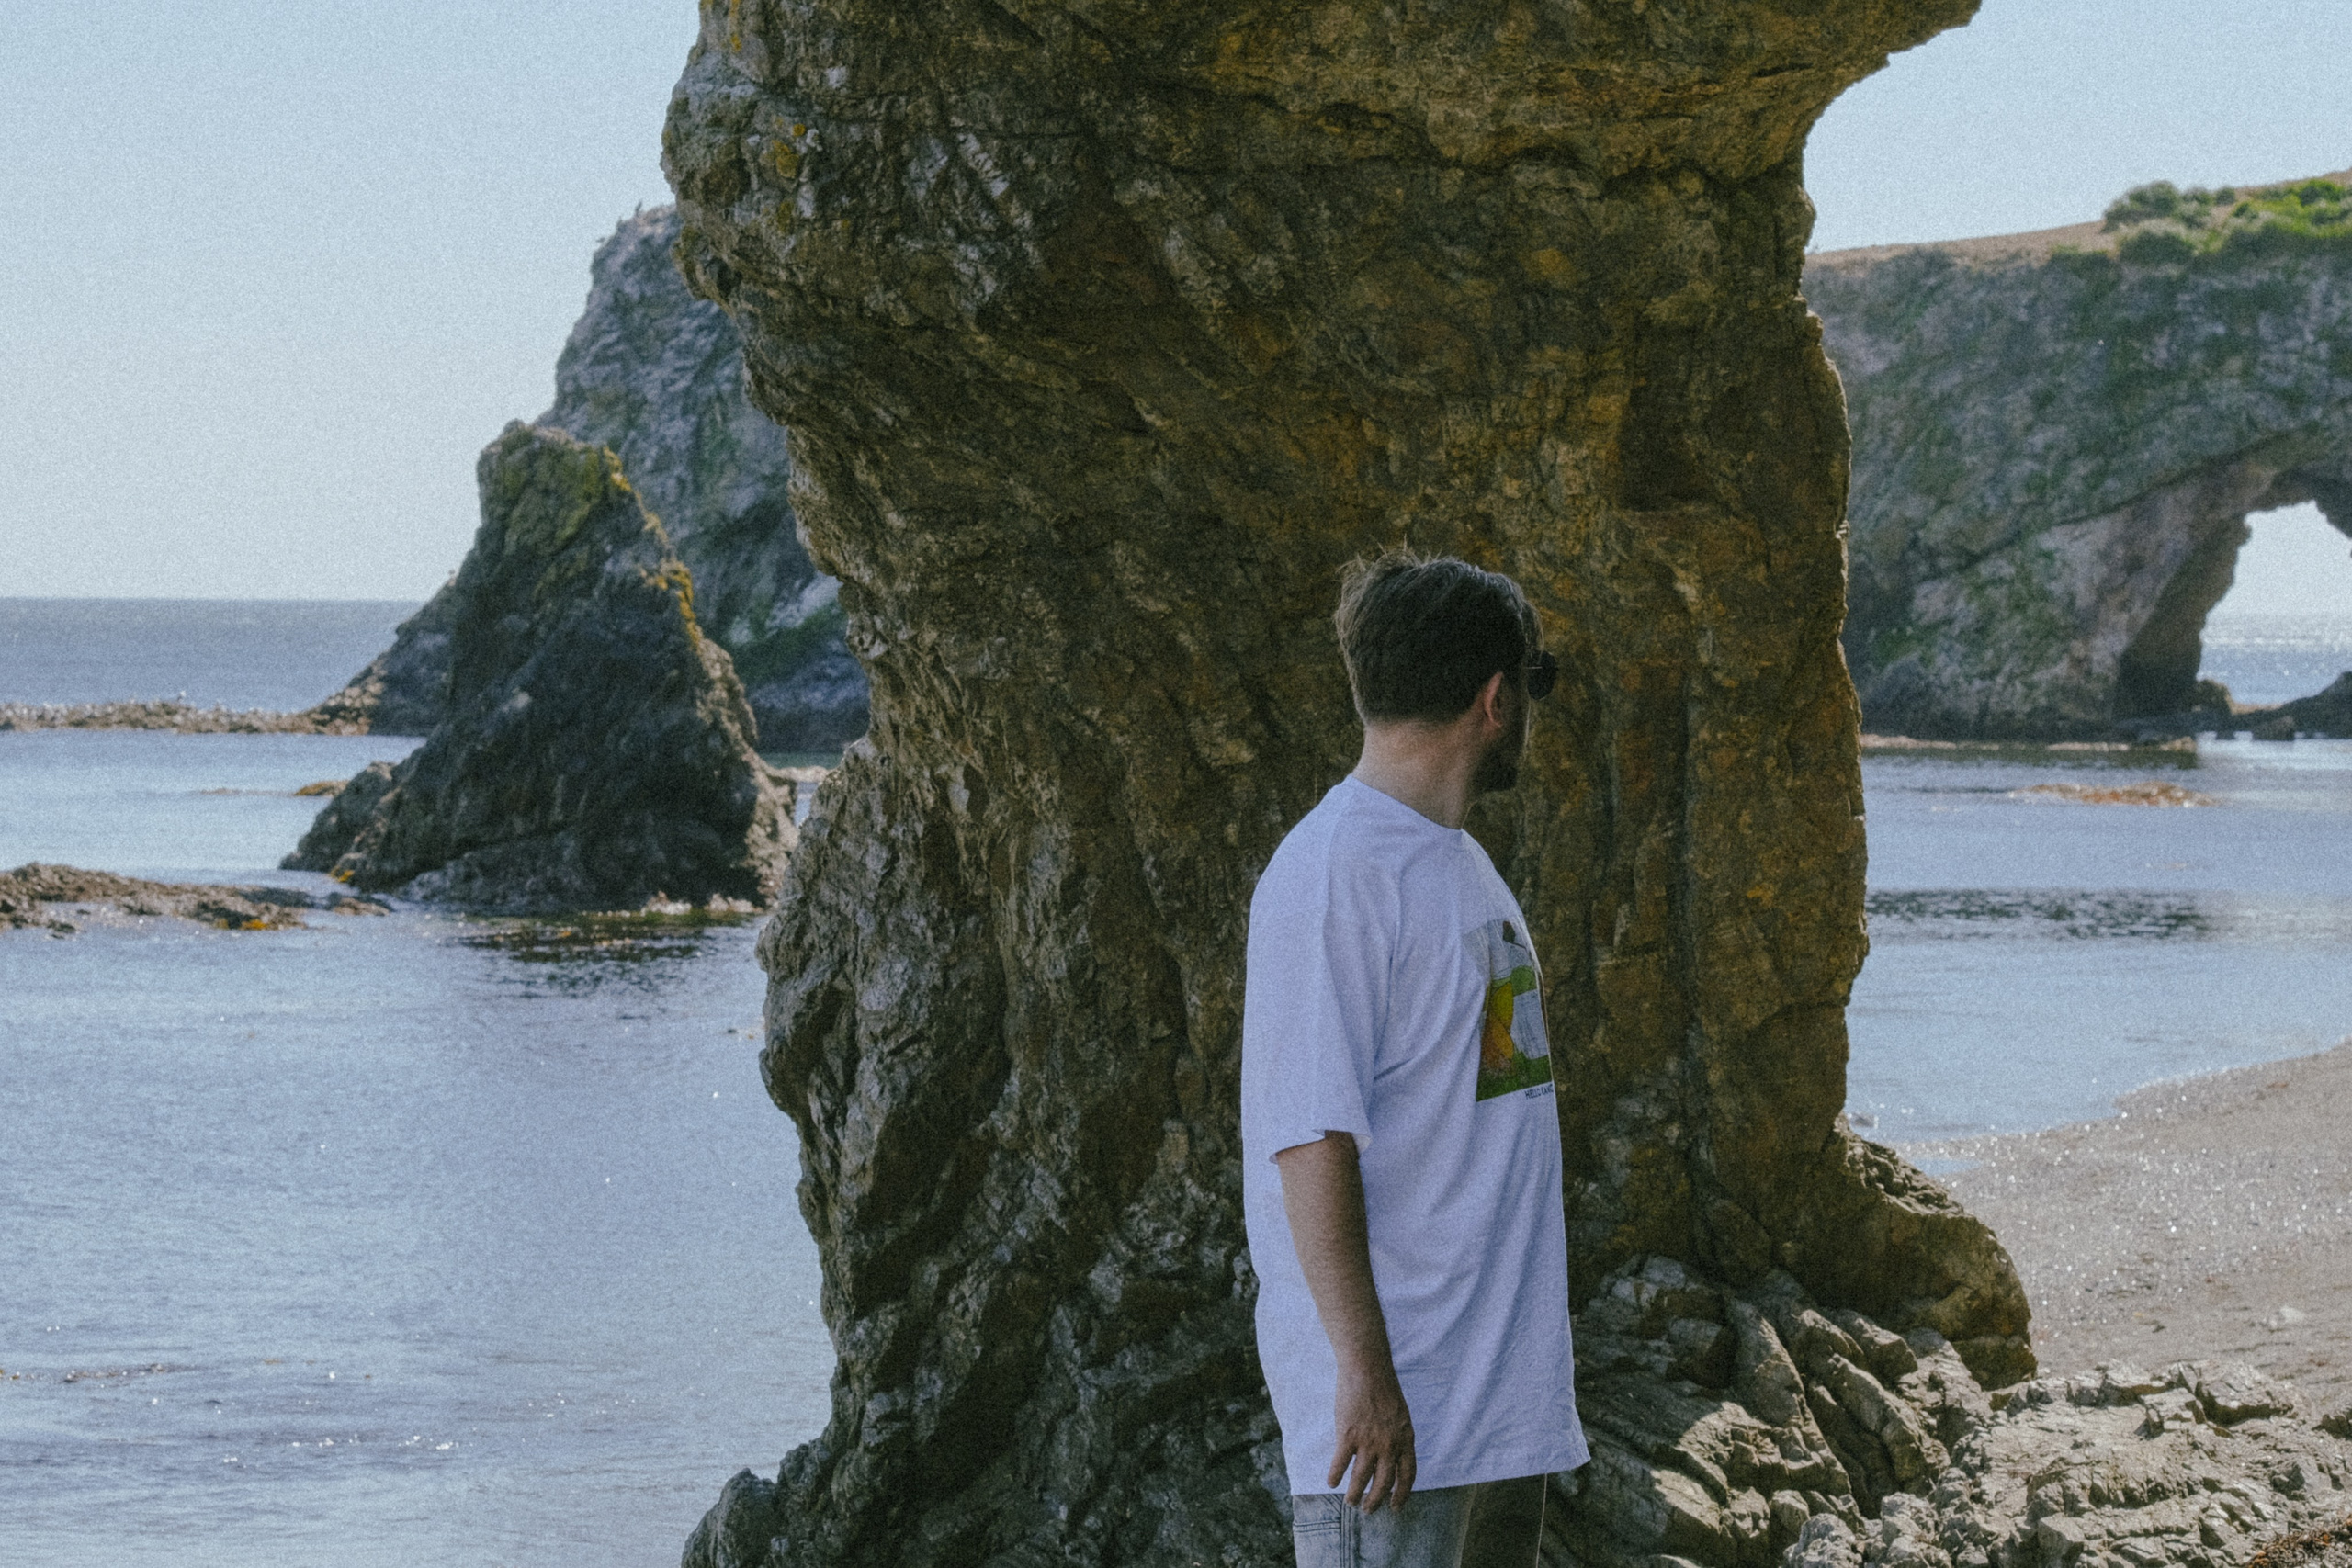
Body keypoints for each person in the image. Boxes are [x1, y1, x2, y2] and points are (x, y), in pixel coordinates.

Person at [1240, 552, 1588, 1568]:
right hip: (1390, 1439)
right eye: (1533, 685)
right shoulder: (1333, 875)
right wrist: (1363, 1377)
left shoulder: (1459, 864)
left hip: (1494, 1416)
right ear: (1496, 697)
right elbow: (1308, 1141)